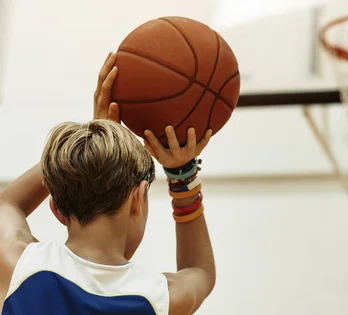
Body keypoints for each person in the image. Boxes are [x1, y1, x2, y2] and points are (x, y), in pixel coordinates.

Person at [0, 52, 215, 315]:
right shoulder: (159, 297)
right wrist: (183, 176)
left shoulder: (20, 265)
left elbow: (8, 203)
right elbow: (200, 272)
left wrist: (83, 146)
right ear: (138, 198)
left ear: (55, 207)